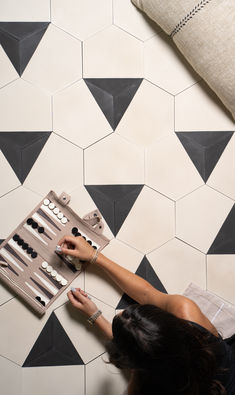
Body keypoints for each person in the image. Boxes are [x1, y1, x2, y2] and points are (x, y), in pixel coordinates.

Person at [58, 235, 235, 395]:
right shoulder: (185, 310)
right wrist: (94, 256)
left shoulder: (145, 388)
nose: (120, 310)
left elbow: (143, 357)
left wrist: (95, 317)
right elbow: (146, 294)